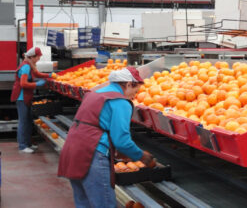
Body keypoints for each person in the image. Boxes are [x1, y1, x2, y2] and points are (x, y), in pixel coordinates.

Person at [58, 66, 154, 208]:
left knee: (83, 203)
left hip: (71, 150)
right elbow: (121, 141)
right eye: (135, 91)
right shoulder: (121, 102)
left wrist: (118, 152)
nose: (134, 96)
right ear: (128, 84)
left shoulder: (93, 94)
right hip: (92, 154)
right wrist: (142, 156)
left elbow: (94, 123)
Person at [10, 47, 53, 153]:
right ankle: (22, 146)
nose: (39, 59)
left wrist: (49, 75)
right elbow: (23, 84)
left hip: (26, 97)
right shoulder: (25, 67)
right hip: (21, 97)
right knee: (23, 122)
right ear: (33, 57)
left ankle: (28, 144)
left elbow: (37, 74)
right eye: (38, 57)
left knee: (28, 121)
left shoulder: (29, 64)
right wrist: (37, 84)